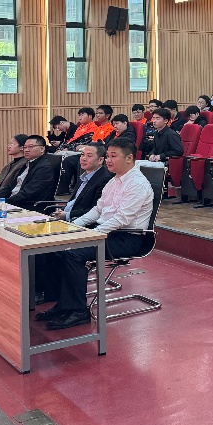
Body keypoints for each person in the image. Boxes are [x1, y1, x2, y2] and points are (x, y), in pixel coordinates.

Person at [35, 139, 155, 330]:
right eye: (107, 156)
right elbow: (98, 210)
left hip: (127, 238)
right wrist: (74, 226)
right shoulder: (114, 181)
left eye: (113, 156)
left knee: (73, 253)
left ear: (129, 158)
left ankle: (78, 311)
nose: (108, 160)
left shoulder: (137, 184)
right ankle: (62, 304)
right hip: (106, 232)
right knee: (55, 246)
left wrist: (91, 234)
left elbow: (122, 219)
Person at [51, 142, 114, 222]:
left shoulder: (105, 180)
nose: (83, 158)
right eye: (82, 154)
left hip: (81, 222)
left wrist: (67, 215)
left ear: (100, 160)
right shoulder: (84, 176)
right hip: (66, 218)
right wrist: (62, 211)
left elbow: (95, 211)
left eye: (89, 156)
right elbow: (74, 202)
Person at [7, 135, 56, 210]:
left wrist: (6, 202)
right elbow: (12, 185)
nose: (26, 150)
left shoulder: (44, 168)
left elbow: (28, 193)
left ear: (42, 149)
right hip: (14, 201)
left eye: (30, 147)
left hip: (28, 206)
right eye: (25, 147)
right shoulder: (28, 163)